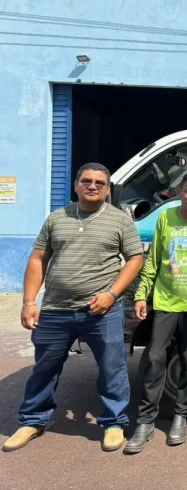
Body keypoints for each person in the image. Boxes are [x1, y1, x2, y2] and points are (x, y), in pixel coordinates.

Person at [2, 163, 144, 453]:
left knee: (111, 368)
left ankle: (113, 422)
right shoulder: (57, 218)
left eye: (100, 183)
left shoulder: (119, 221)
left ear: (108, 189)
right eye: (87, 181)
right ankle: (33, 420)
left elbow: (135, 259)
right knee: (45, 367)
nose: (93, 186)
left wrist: (112, 293)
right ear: (76, 184)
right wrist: (29, 302)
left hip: (102, 311)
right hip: (55, 309)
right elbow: (38, 259)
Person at [125, 172, 187, 454]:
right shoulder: (166, 218)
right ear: (180, 192)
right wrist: (142, 294)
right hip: (166, 301)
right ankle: (145, 422)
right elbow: (154, 260)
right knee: (155, 358)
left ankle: (181, 415)